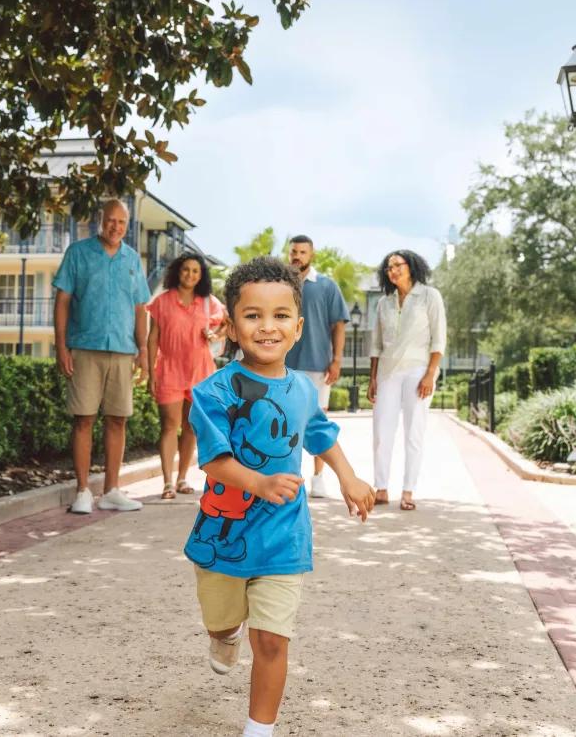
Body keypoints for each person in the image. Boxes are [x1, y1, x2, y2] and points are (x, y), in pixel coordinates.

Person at [184, 256, 375, 737]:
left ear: (298, 326)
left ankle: (258, 730)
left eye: (280, 316)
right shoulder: (213, 391)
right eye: (252, 316)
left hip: (283, 537)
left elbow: (320, 433)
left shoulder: (302, 391)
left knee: (272, 640)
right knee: (220, 623)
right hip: (222, 539)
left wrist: (349, 478)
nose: (267, 327)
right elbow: (212, 460)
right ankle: (225, 635)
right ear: (231, 324)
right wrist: (260, 483)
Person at [53, 198, 151, 514]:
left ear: (127, 225)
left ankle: (111, 490)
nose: (115, 227)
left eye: (121, 222)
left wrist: (143, 351)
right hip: (84, 348)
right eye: (111, 220)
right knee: (83, 419)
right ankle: (82, 491)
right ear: (100, 219)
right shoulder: (78, 254)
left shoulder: (133, 260)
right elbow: (63, 301)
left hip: (123, 351)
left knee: (118, 419)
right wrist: (61, 346)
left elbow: (140, 309)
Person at [367, 250, 446, 512]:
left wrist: (430, 374)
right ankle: (381, 488)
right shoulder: (383, 303)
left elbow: (438, 340)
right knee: (381, 432)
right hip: (387, 373)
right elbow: (376, 345)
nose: (393, 271)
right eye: (389, 267)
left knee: (414, 432)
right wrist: (372, 379)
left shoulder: (429, 296)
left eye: (398, 265)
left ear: (411, 267)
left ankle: (408, 490)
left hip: (417, 370)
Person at [146, 253, 227, 499]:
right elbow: (152, 339)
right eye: (185, 270)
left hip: (199, 371)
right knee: (169, 426)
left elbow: (227, 322)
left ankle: (182, 478)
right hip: (169, 370)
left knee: (191, 427)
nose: (190, 275)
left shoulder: (208, 302)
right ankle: (167, 482)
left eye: (195, 271)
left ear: (201, 276)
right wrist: (151, 373)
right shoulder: (162, 302)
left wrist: (216, 336)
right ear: (177, 272)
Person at [285, 235, 350, 498]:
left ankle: (319, 477)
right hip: (285, 365)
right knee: (287, 420)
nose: (297, 256)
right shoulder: (280, 286)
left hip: (317, 365)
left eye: (302, 252)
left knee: (318, 421)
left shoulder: (326, 286)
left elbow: (339, 326)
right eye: (293, 252)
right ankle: (290, 475)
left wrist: (336, 360)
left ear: (311, 255)